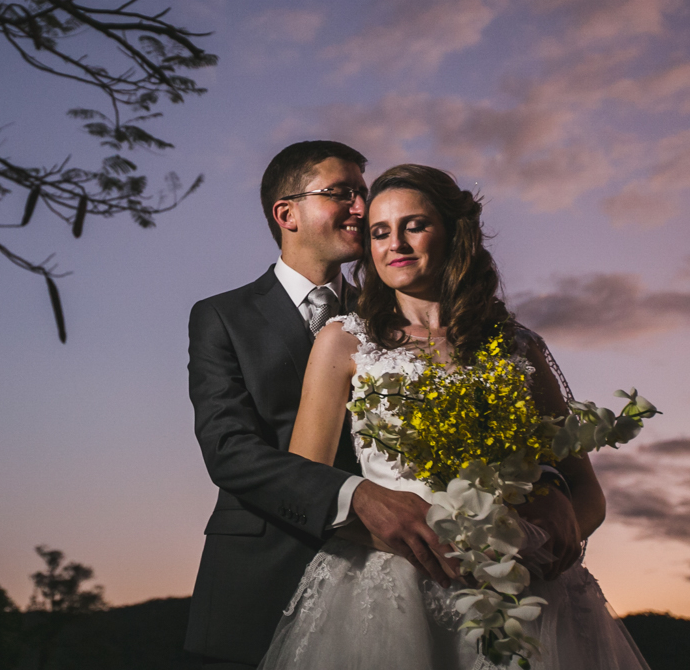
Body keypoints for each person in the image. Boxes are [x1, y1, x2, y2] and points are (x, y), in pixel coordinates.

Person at [185, 142, 581, 670]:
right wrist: (358, 495)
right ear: (288, 213)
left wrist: (546, 490)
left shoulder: (388, 310)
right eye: (341, 193)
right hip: (265, 571)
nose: (359, 207)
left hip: (437, 573)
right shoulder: (223, 316)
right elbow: (229, 450)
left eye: (362, 194)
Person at [257, 164, 649, 670]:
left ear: (453, 233)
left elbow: (584, 488)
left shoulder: (517, 344)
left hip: (523, 590)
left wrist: (561, 533)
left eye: (413, 225)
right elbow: (302, 485)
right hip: (392, 589)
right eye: (379, 231)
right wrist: (400, 537)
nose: (394, 242)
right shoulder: (345, 341)